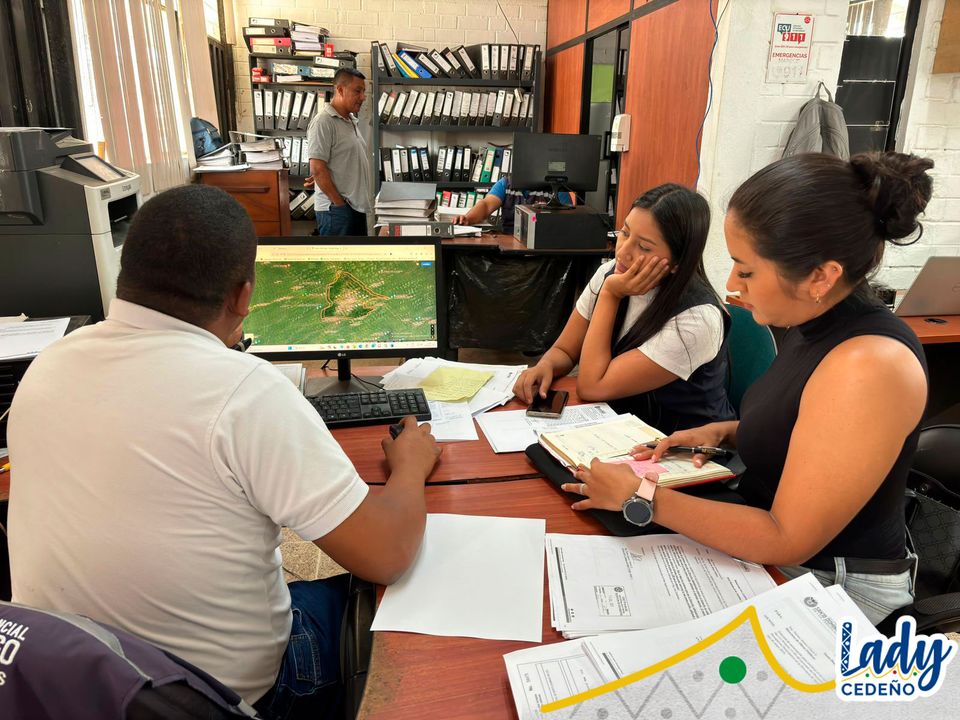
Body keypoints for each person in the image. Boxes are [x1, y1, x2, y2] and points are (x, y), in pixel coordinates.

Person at [7, 185, 441, 719]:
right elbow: (387, 555)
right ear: (242, 296)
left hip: (79, 688)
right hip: (225, 701)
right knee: (353, 584)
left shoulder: (46, 366)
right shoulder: (246, 391)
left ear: (126, 275)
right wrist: (410, 466)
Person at [564, 152, 932, 624]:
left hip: (832, 583)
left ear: (820, 276)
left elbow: (787, 538)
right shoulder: (814, 322)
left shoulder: (870, 366)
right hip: (766, 546)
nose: (732, 283)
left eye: (747, 269)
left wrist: (641, 497)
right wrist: (724, 432)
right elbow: (809, 429)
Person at [514, 184, 735, 434]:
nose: (623, 252)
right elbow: (565, 350)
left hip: (680, 446)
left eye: (644, 247)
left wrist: (610, 295)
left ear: (677, 262)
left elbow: (592, 386)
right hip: (622, 428)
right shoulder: (610, 274)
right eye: (625, 232)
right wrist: (546, 365)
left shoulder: (697, 320)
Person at [306, 67, 371, 236]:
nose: (363, 97)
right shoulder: (323, 122)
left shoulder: (350, 120)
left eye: (363, 91)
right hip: (337, 210)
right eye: (358, 91)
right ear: (340, 90)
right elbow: (317, 169)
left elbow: (340, 161)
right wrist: (339, 204)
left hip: (354, 207)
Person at [453, 174, 570, 233]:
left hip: (543, 246)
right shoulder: (505, 183)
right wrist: (468, 218)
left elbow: (568, 220)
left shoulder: (554, 188)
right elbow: (486, 205)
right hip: (510, 245)